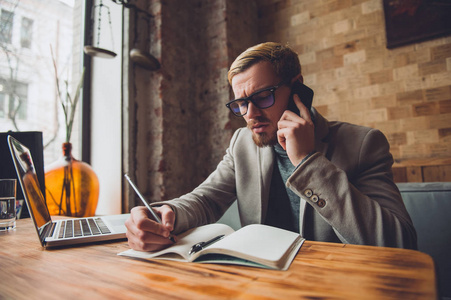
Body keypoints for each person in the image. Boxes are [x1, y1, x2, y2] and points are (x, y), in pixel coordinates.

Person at [125, 42, 417, 252]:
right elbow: (206, 200)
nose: (250, 113)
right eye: (240, 103)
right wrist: (165, 213)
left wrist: (307, 162)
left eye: (263, 96)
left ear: (297, 89)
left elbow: (398, 243)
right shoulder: (242, 143)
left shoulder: (363, 144)